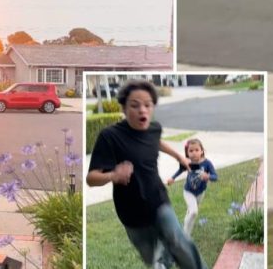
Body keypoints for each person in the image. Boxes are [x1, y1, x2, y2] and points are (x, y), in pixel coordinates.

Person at [87, 80, 208, 269]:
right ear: (124, 108)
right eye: (135, 105)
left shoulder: (154, 128)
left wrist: (178, 156)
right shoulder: (110, 137)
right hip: (131, 213)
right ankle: (165, 258)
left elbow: (156, 141)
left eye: (147, 105)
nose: (142, 110)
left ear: (152, 107)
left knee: (178, 241)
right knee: (156, 261)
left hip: (158, 200)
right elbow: (91, 178)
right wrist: (113, 175)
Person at [167, 139, 218, 238]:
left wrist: (208, 177)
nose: (194, 153)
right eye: (191, 151)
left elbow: (215, 177)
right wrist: (172, 178)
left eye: (196, 150)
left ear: (202, 151)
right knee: (194, 211)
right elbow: (180, 170)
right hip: (188, 191)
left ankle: (186, 232)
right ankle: (185, 236)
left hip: (200, 193)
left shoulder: (207, 163)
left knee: (191, 213)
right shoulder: (187, 162)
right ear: (187, 152)